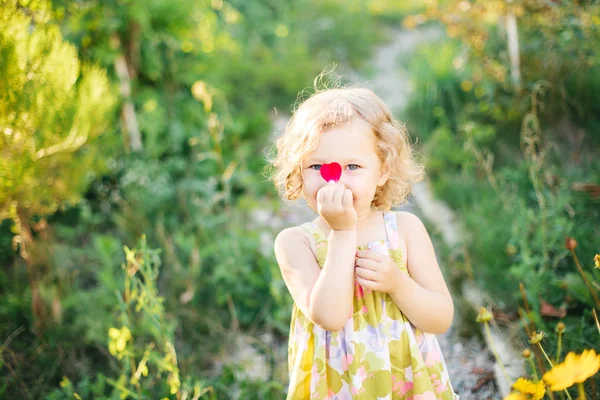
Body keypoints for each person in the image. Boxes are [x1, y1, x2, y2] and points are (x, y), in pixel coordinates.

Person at [268, 85, 458, 399]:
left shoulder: (405, 229)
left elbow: (441, 318)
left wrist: (398, 284)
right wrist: (343, 233)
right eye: (317, 166)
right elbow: (330, 317)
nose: (335, 180)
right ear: (298, 171)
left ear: (383, 170)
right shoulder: (296, 243)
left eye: (353, 167)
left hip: (404, 384)